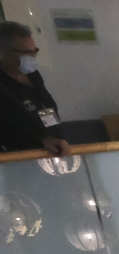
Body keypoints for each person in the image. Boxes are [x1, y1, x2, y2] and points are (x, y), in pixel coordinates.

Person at [0, 21, 68, 155]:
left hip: (52, 148)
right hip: (17, 154)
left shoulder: (33, 75)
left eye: (34, 52)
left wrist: (56, 137)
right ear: (4, 52)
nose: (32, 57)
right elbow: (14, 116)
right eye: (26, 53)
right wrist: (44, 138)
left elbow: (47, 106)